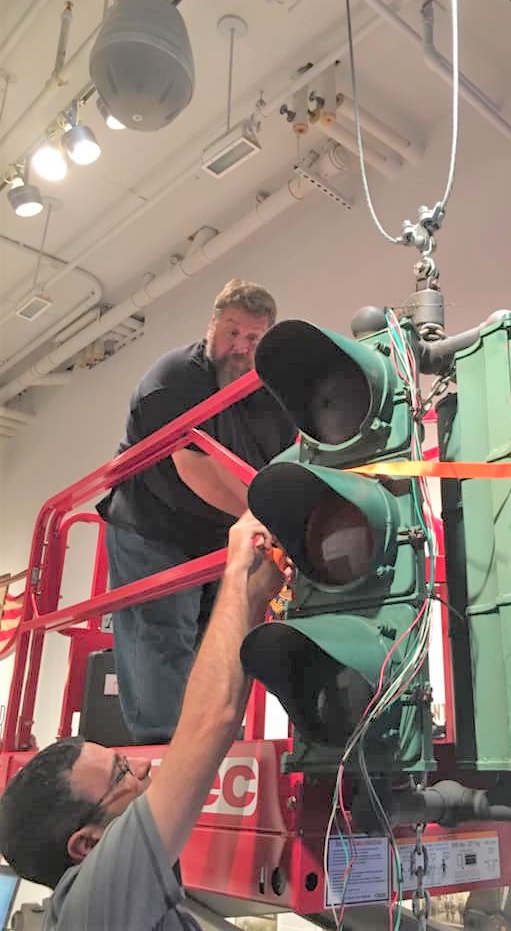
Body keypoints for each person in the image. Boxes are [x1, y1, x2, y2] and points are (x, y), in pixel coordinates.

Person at [0, 511, 291, 931]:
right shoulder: (94, 909)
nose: (142, 764)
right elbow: (213, 719)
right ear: (87, 843)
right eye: (122, 772)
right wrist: (240, 574)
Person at [96, 279, 296, 745]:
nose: (240, 347)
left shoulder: (273, 399)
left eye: (253, 338)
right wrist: (273, 521)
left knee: (220, 638)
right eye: (232, 332)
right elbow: (196, 469)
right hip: (152, 527)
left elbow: (276, 470)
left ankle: (210, 740)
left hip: (218, 535)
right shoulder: (174, 378)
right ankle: (164, 745)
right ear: (212, 325)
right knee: (163, 631)